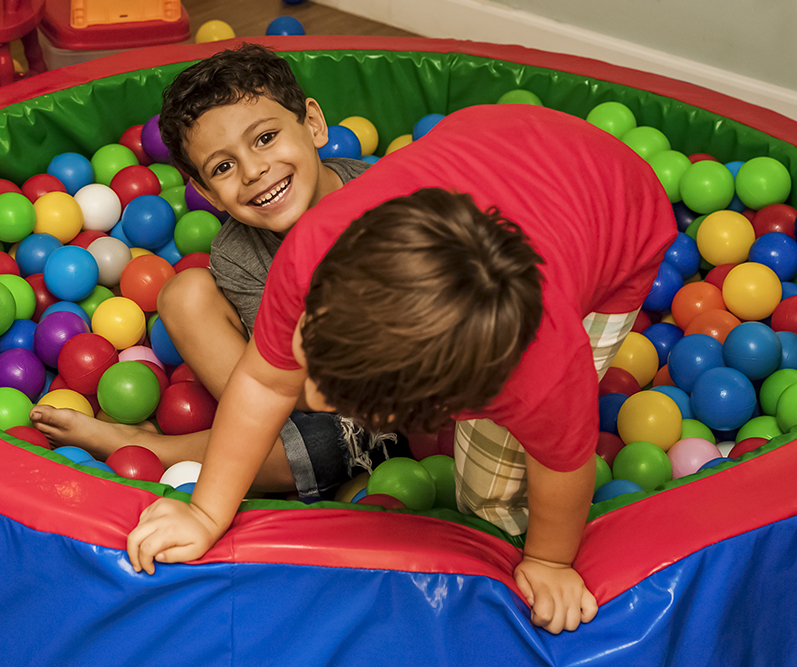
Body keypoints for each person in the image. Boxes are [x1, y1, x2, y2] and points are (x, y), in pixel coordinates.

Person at [126, 104, 677, 634]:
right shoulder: (314, 248)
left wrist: (550, 561)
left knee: (487, 497)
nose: (304, 387)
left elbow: (563, 466)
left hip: (618, 204)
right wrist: (206, 514)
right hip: (496, 134)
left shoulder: (541, 371)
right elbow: (263, 380)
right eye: (310, 343)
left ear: (428, 406)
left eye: (334, 389)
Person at [31, 42, 396, 501]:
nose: (254, 171)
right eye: (223, 166)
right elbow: (290, 385)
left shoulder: (389, 200)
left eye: (265, 138)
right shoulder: (237, 253)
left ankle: (153, 449)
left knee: (319, 446)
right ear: (208, 194)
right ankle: (242, 447)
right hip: (308, 392)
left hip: (406, 395)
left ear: (313, 125)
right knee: (184, 292)